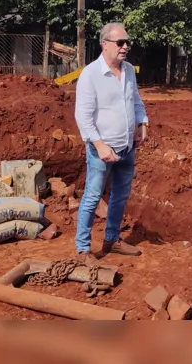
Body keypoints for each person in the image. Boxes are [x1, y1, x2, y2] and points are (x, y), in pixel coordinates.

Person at [74, 22, 148, 264]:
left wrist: (143, 122)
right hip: (101, 150)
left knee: (119, 196)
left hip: (127, 148)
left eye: (127, 42)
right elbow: (82, 116)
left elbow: (135, 101)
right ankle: (84, 250)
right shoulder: (91, 74)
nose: (125, 47)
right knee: (92, 197)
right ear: (105, 44)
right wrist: (99, 145)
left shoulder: (128, 71)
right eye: (120, 43)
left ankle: (112, 239)